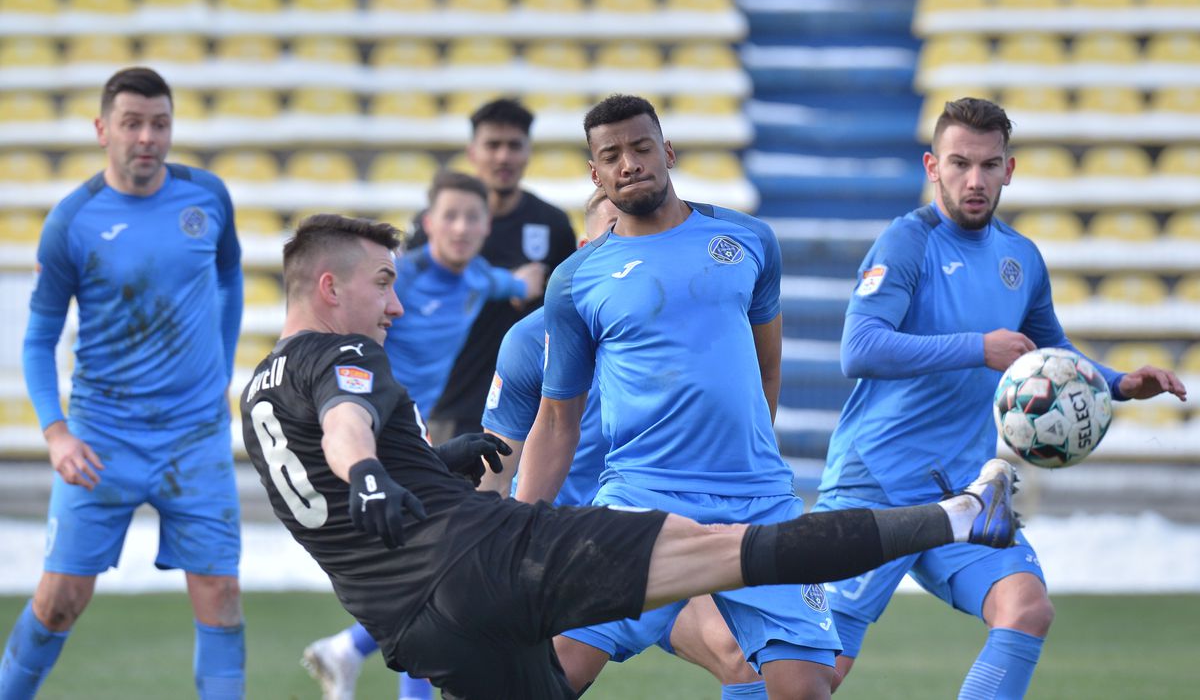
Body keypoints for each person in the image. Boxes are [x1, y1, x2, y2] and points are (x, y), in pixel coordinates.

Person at [242, 211, 1020, 700]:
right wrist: (373, 471)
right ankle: (962, 513)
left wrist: (432, 461)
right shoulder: (340, 350)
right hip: (494, 558)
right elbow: (350, 431)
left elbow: (333, 470)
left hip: (412, 623)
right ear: (328, 286)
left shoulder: (259, 394)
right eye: (382, 282)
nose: (396, 303)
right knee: (747, 552)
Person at [814, 96, 1188, 699]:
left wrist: (1118, 383)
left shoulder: (1021, 257)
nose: (974, 179)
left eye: (989, 166)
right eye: (960, 164)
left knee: (1026, 607)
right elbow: (859, 349)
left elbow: (1049, 352)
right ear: (932, 166)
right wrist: (975, 348)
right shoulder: (907, 243)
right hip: (875, 483)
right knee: (812, 675)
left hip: (964, 492)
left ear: (1008, 170)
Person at [512, 93, 841, 699]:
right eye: (611, 155)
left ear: (667, 151)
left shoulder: (748, 241)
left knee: (804, 688)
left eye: (641, 148)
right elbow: (557, 423)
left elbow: (768, 371)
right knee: (554, 673)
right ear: (596, 174)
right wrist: (515, 527)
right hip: (642, 496)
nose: (629, 163)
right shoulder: (577, 280)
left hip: (758, 499)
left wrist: (746, 464)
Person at [0, 67, 246, 699]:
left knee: (219, 593)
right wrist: (56, 434)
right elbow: (36, 340)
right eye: (132, 124)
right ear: (102, 129)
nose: (147, 137)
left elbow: (230, 278)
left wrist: (219, 368)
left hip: (195, 439)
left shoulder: (208, 197)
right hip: (101, 439)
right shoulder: (72, 222)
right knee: (60, 601)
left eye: (159, 123)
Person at [481, 188, 767, 697]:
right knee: (533, 683)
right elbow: (497, 462)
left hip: (665, 535)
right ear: (588, 249)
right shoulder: (530, 341)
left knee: (748, 660)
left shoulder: (691, 335)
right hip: (575, 552)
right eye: (621, 235)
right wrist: (483, 549)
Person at [301, 169, 544, 700]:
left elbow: (521, 284)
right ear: (429, 222)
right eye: (450, 216)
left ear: (486, 227)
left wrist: (539, 276)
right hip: (377, 434)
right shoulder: (396, 277)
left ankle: (346, 649)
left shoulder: (479, 277)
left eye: (472, 217)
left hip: (419, 434)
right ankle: (348, 649)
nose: (460, 227)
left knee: (430, 577)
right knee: (433, 578)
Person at [406, 98, 576, 445]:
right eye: (492, 145)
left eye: (514, 146)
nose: (503, 157)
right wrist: (510, 285)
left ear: (528, 152)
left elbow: (567, 314)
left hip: (527, 406)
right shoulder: (435, 226)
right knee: (444, 498)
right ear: (472, 152)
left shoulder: (552, 224)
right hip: (447, 405)